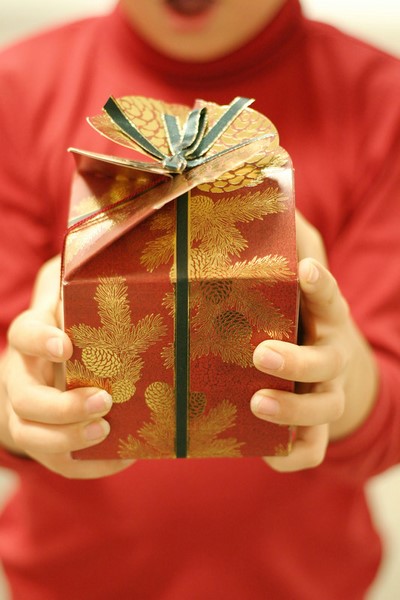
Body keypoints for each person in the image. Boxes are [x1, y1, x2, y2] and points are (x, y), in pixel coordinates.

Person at [0, 0, 399, 598]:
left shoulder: (381, 102)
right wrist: (20, 405)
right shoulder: (17, 90)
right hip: (67, 578)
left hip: (309, 582)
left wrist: (343, 381)